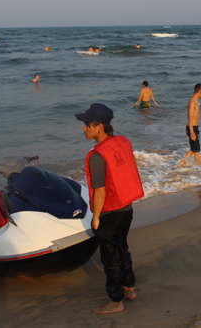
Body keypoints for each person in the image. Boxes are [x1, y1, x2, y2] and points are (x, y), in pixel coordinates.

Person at [75, 103, 144, 315]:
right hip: (126, 207)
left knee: (110, 257)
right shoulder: (121, 141)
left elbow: (100, 192)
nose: (84, 128)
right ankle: (129, 288)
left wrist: (95, 218)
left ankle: (116, 302)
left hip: (110, 212)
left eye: (87, 124)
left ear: (100, 127)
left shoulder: (97, 156)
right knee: (122, 248)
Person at [177, 83, 201, 167]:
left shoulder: (196, 101)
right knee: (196, 150)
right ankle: (200, 168)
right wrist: (192, 132)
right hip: (192, 128)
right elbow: (190, 117)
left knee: (193, 149)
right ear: (200, 92)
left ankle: (181, 164)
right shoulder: (192, 102)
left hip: (194, 127)